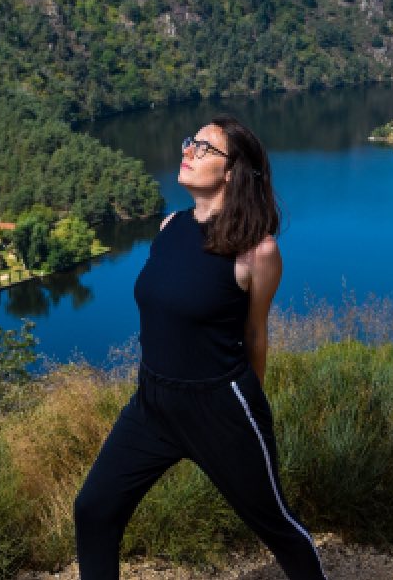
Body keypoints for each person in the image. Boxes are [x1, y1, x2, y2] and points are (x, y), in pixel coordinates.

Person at [74, 116, 327, 579]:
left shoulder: (257, 251)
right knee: (94, 511)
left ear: (232, 171)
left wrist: (246, 407)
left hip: (221, 409)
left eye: (204, 148)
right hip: (152, 405)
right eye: (190, 142)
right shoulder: (170, 226)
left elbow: (255, 335)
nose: (187, 151)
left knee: (277, 526)